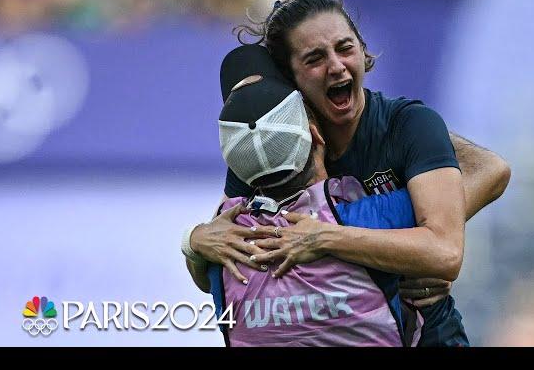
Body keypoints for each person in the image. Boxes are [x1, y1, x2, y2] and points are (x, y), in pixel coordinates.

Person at [184, 0, 511, 346]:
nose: (337, 66)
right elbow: (221, 266)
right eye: (315, 58)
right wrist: (194, 242)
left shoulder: (408, 124)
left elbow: (445, 251)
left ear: (362, 49)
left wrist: (343, 243)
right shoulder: (280, 142)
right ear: (291, 78)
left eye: (345, 47)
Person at [195, 44, 460, 346]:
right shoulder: (371, 215)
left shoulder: (223, 250)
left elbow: (205, 271)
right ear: (317, 133)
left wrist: (192, 243)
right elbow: (445, 233)